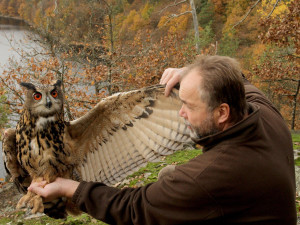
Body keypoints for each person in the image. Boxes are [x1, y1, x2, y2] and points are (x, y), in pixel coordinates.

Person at [29, 55, 297, 225]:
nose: (181, 113)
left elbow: (134, 208)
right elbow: (238, 78)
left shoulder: (209, 176)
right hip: (262, 208)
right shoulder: (263, 111)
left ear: (221, 112)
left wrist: (70, 189)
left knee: (168, 183)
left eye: (189, 106)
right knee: (169, 174)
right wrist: (191, 73)